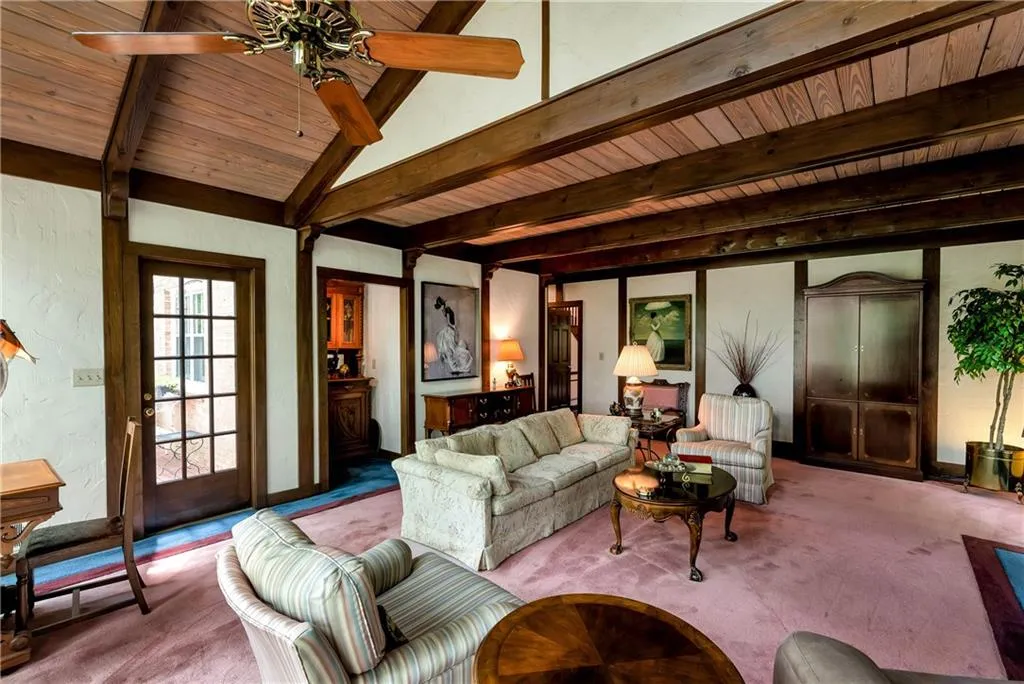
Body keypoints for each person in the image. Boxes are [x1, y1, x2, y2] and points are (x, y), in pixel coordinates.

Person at [433, 296, 473, 375]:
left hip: (449, 332)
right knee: (448, 349)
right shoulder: (443, 333)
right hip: (448, 333)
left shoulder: (449, 315)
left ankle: (458, 367)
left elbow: (451, 324)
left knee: (451, 349)